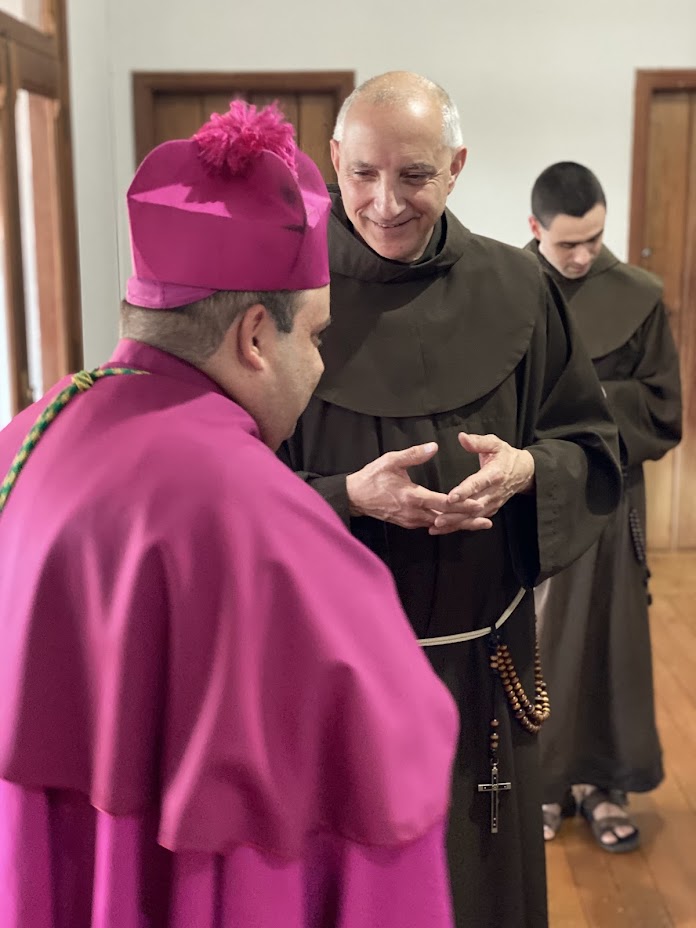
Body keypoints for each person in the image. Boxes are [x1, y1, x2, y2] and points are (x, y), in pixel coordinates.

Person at [0, 101, 460, 928]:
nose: (318, 362)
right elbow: (391, 750)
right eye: (314, 337)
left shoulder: (31, 435)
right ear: (254, 338)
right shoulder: (262, 521)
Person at [279, 72, 622, 928]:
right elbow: (227, 483)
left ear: (457, 166)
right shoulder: (280, 289)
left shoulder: (521, 287)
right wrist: (346, 497)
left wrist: (528, 470)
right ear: (334, 159)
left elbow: (592, 446)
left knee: (477, 888)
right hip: (330, 674)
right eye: (363, 173)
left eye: (415, 175)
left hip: (482, 669)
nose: (385, 202)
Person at [527, 161, 682, 853]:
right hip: (534, 495)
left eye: (595, 238)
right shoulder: (508, 290)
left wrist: (582, 406)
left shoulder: (638, 297)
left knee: (608, 640)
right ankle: (543, 783)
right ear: (535, 229)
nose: (586, 255)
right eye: (569, 244)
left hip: (612, 494)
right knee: (540, 638)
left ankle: (603, 786)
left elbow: (663, 407)